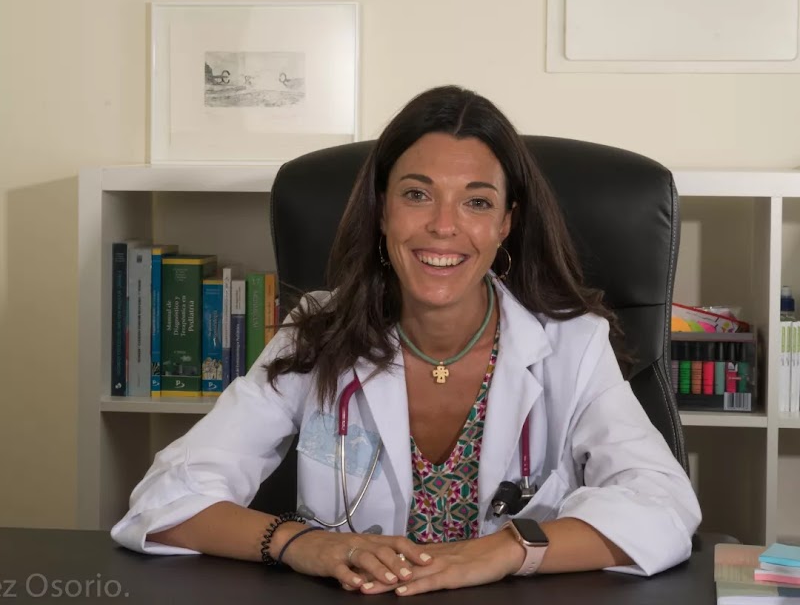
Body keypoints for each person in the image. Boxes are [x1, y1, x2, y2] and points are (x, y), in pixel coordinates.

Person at [111, 86, 701, 595]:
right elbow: (165, 497)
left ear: (505, 223)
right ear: (382, 211)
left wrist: (508, 549)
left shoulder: (572, 345)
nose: (443, 225)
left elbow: (665, 504)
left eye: (476, 202)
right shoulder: (317, 331)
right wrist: (300, 543)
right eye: (417, 194)